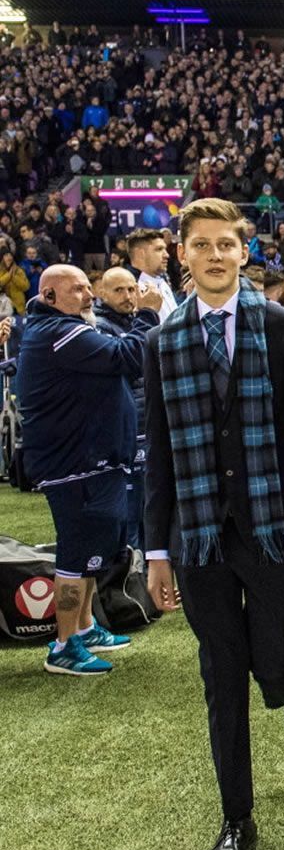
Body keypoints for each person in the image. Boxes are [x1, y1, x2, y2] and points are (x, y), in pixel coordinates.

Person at [142, 198, 284, 850]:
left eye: (227, 243)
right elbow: (159, 454)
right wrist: (156, 550)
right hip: (197, 538)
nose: (216, 254)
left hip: (274, 530)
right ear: (182, 255)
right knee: (222, 679)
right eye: (202, 244)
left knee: (272, 658)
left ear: (243, 253)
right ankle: (236, 819)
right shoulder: (161, 342)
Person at [13, 264, 159, 675]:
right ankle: (63, 644)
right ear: (50, 297)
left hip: (92, 460)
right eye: (76, 289)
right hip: (77, 463)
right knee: (76, 555)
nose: (87, 295)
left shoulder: (62, 331)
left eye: (85, 287)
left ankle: (86, 626)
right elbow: (129, 356)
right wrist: (147, 314)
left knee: (95, 548)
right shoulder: (60, 334)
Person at [93, 266, 161, 552]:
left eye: (132, 289)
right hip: (124, 429)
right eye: (119, 290)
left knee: (151, 510)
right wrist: (147, 319)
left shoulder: (134, 323)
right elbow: (128, 362)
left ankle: (147, 578)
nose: (128, 296)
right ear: (102, 293)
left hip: (147, 423)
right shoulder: (98, 327)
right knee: (130, 514)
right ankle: (130, 580)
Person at [125, 227, 178, 322]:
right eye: (159, 249)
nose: (166, 255)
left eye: (165, 249)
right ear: (140, 253)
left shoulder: (162, 281)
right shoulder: (128, 289)